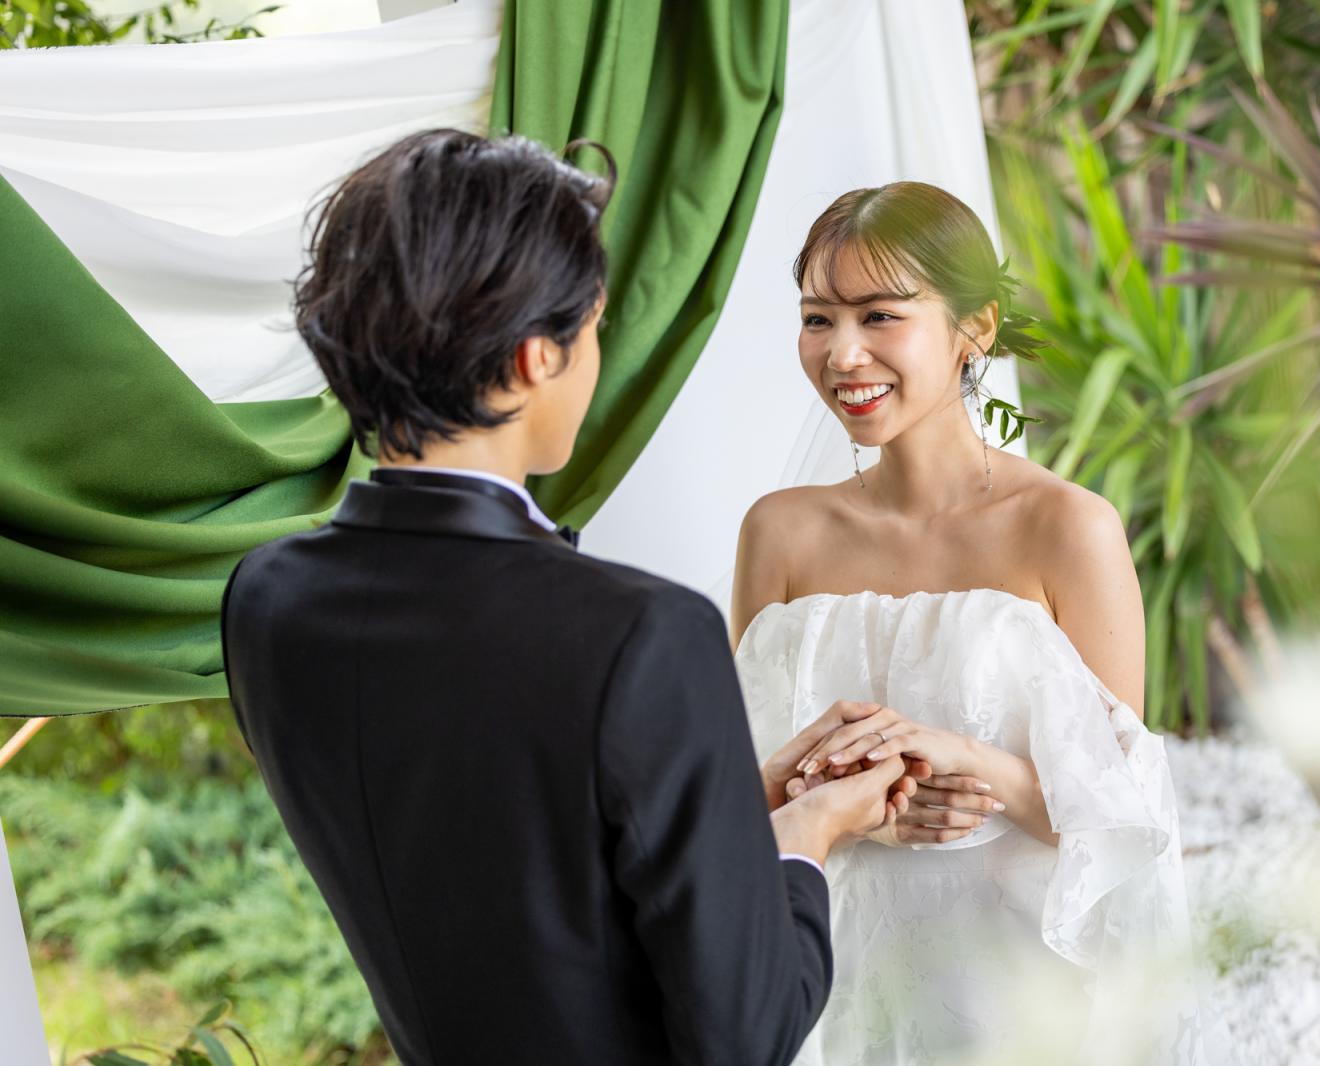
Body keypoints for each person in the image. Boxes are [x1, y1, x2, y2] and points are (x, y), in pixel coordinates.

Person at [220, 129, 916, 1066]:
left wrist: (729, 817)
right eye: (592, 327)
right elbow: (745, 1038)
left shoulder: (265, 601)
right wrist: (805, 839)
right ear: (534, 357)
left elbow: (501, 859)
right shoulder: (642, 634)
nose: (595, 355)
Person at [731, 182, 1228, 1065]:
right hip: (832, 986)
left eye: (879, 315)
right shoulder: (778, 533)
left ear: (977, 326)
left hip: (1012, 999)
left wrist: (967, 761)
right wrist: (854, 812)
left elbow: (1127, 815)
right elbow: (740, 793)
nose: (842, 353)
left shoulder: (1068, 529)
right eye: (817, 320)